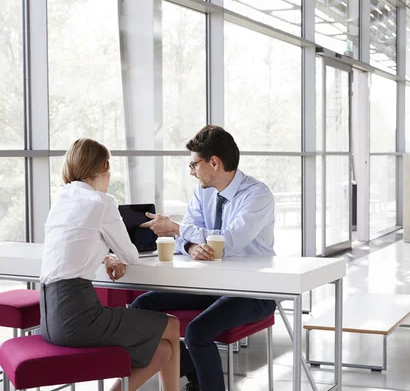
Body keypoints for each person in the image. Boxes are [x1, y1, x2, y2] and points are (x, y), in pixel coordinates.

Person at [131, 125, 276, 391]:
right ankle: (198, 379)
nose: (191, 171)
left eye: (193, 164)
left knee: (198, 332)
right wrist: (188, 246)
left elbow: (227, 242)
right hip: (208, 285)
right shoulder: (203, 192)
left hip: (252, 291)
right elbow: (188, 238)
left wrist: (177, 229)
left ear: (214, 162)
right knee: (141, 308)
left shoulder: (257, 195)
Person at [40, 138, 181, 391]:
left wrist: (106, 255)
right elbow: (131, 256)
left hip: (50, 318)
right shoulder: (102, 202)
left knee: (162, 350)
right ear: (105, 166)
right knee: (171, 325)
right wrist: (116, 255)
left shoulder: (63, 197)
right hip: (78, 316)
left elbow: (74, 245)